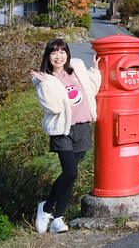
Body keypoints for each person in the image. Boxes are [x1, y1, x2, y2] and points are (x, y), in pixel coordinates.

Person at [30, 38, 101, 233]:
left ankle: (58, 219)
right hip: (62, 130)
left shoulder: (76, 69)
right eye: (53, 53)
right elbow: (53, 107)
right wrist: (47, 84)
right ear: (48, 57)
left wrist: (94, 70)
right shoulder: (45, 80)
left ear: (68, 54)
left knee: (70, 176)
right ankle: (45, 209)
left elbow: (91, 91)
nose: (58, 56)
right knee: (71, 172)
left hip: (82, 127)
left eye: (62, 52)